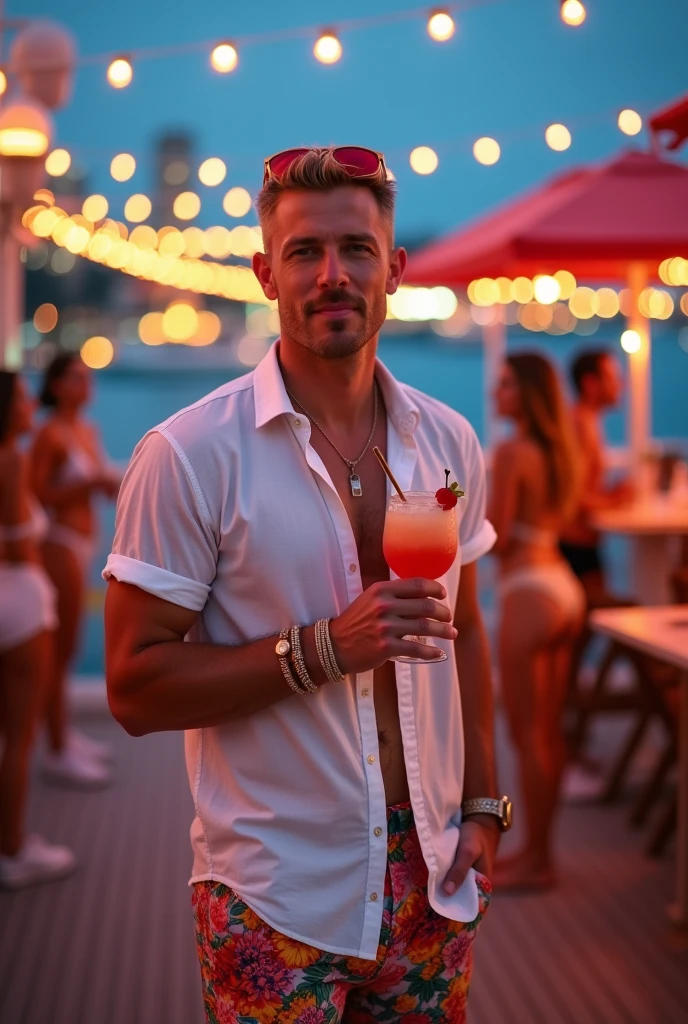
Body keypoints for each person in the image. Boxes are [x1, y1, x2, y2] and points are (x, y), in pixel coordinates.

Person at [104, 146, 509, 1023]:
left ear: (394, 270)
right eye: (305, 253)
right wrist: (324, 649)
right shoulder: (190, 456)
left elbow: (465, 631)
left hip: (434, 878)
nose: (334, 275)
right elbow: (133, 685)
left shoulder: (448, 445)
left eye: (357, 249)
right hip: (275, 893)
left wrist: (483, 803)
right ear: (264, 273)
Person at [488, 352, 584, 891]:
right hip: (563, 589)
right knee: (549, 732)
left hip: (527, 593)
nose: (496, 394)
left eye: (504, 385)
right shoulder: (559, 451)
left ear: (526, 393)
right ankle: (543, 854)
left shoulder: (510, 451)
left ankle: (534, 856)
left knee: (527, 737)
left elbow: (499, 537)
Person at [0, 371, 76, 889]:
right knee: (18, 738)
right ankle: (13, 849)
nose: (32, 404)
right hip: (21, 602)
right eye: (24, 399)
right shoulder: (12, 458)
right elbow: (16, 543)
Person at [30, 354, 119, 787]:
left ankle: (61, 734)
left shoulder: (88, 429)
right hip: (58, 543)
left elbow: (97, 480)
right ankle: (56, 748)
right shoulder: (48, 434)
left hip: (82, 544)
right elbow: (35, 493)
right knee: (61, 647)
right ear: (58, 385)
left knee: (69, 642)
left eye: (88, 377)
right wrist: (88, 484)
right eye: (77, 377)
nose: (87, 384)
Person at [559, 348, 634, 602]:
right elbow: (573, 496)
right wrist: (615, 500)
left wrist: (612, 492)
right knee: (603, 616)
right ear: (590, 383)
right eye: (613, 378)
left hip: (584, 543)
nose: (621, 385)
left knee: (590, 624)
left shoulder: (588, 421)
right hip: (573, 545)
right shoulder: (578, 424)